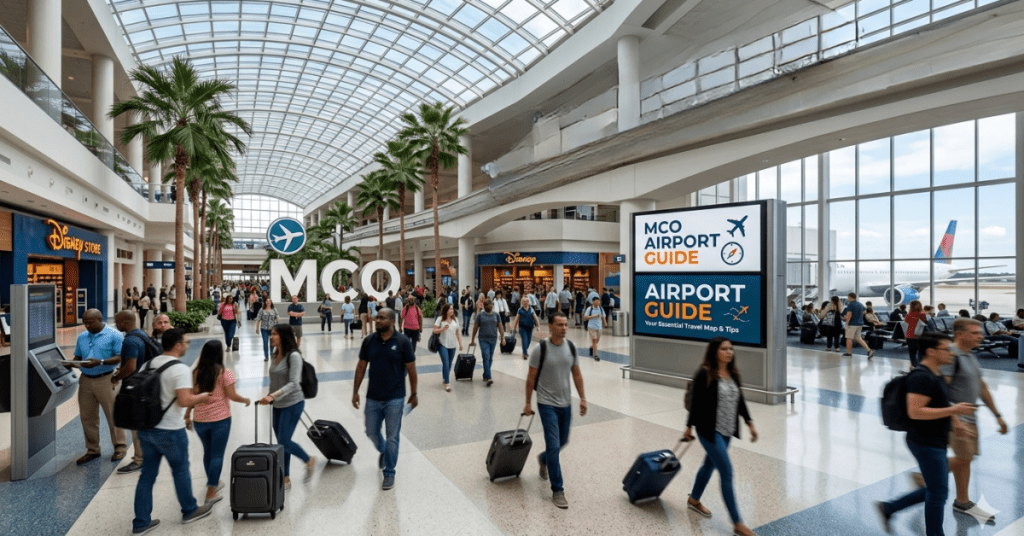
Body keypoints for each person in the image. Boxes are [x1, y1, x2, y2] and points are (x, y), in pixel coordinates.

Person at [877, 333, 976, 536]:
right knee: (938, 493)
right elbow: (916, 411)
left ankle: (889, 508)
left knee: (934, 489)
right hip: (925, 441)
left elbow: (940, 401)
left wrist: (955, 421)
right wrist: (954, 411)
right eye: (946, 349)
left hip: (935, 439)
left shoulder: (936, 374)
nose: (951, 353)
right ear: (931, 351)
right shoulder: (921, 377)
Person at [132, 328, 215, 534]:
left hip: (147, 429)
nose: (187, 345)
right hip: (170, 431)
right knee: (180, 470)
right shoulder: (180, 369)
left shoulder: (148, 364)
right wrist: (203, 397)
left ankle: (141, 522)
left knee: (147, 475)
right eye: (186, 342)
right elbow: (184, 400)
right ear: (177, 345)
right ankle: (189, 510)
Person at [683, 336, 759, 536]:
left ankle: (694, 499)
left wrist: (749, 423)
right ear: (715, 351)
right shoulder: (704, 373)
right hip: (708, 430)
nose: (729, 352)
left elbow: (739, 400)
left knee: (709, 465)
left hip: (727, 431)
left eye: (731, 349)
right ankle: (737, 522)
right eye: (724, 349)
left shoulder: (732, 373)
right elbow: (696, 402)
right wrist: (688, 427)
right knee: (726, 471)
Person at [935, 318, 1008, 522]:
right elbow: (941, 391)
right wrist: (955, 418)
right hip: (955, 417)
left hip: (970, 415)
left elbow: (982, 387)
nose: (981, 335)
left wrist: (998, 415)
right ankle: (925, 476)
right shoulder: (950, 355)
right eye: (975, 333)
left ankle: (962, 501)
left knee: (966, 460)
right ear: (960, 334)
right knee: (964, 457)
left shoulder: (969, 355)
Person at [523, 312, 587, 509]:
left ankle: (543, 460)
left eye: (566, 325)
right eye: (559, 325)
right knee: (553, 444)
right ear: (550, 326)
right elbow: (530, 378)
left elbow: (577, 374)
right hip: (546, 403)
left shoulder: (571, 347)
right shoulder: (540, 349)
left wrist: (583, 398)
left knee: (563, 440)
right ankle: (557, 490)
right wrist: (528, 403)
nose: (564, 328)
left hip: (565, 403)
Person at [352, 308, 418, 491]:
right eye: (377, 317)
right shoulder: (369, 341)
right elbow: (361, 366)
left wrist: (414, 394)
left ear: (392, 321)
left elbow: (411, 369)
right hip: (373, 396)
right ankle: (383, 451)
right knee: (371, 432)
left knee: (392, 437)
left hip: (395, 398)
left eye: (381, 318)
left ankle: (389, 472)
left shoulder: (403, 342)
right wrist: (355, 391)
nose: (377, 320)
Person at [185, 340, 251, 504]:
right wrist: (245, 399)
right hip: (220, 420)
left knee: (208, 453)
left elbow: (193, 397)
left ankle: (213, 482)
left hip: (200, 420)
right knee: (217, 455)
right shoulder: (224, 373)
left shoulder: (195, 373)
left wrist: (187, 414)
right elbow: (232, 395)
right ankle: (211, 491)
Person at [257, 325, 316, 489]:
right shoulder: (276, 354)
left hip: (293, 402)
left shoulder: (294, 356)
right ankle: (286, 477)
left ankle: (308, 460)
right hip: (277, 403)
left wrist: (272, 395)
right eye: (271, 334)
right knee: (282, 442)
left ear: (283, 336)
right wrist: (270, 397)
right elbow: (275, 380)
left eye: (274, 334)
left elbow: (294, 383)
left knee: (283, 441)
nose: (271, 336)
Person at [69, 309, 128, 465]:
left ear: (100, 319)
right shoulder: (82, 337)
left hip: (107, 379)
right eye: (85, 322)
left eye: (90, 322)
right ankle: (93, 450)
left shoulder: (114, 335)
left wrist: (100, 362)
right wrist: (72, 363)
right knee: (87, 417)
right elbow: (78, 356)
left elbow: (120, 356)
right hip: (86, 380)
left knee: (113, 414)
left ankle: (120, 447)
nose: (87, 325)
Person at [113, 310, 152, 475]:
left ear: (123, 322)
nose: (115, 325)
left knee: (136, 426)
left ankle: (139, 460)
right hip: (145, 382)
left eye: (117, 322)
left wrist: (116, 376)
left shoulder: (130, 341)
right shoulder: (142, 335)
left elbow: (130, 367)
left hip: (134, 387)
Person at [471, 299, 504, 387]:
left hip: (493, 338)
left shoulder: (496, 315)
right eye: (486, 305)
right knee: (486, 356)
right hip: (483, 339)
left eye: (489, 305)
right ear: (484, 306)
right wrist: (472, 339)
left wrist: (503, 338)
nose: (488, 306)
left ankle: (485, 374)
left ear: (492, 305)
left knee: (490, 358)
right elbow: (475, 327)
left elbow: (500, 327)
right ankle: (489, 377)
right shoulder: (480, 315)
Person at [433, 303, 463, 392]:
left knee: (449, 364)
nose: (452, 311)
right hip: (443, 344)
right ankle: (447, 383)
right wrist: (442, 329)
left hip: (453, 345)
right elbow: (434, 331)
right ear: (446, 310)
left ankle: (444, 377)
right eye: (450, 309)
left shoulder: (455, 320)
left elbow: (458, 332)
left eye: (452, 309)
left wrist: (460, 343)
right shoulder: (440, 319)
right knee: (446, 363)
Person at [842, 293, 874, 358]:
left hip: (852, 324)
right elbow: (865, 312)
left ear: (850, 297)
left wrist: (847, 323)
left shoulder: (850, 304)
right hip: (859, 324)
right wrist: (858, 315)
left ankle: (848, 353)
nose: (848, 299)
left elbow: (849, 315)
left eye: (848, 297)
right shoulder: (860, 304)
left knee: (849, 338)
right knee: (858, 338)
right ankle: (869, 350)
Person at [905, 300, 929, 367]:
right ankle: (920, 366)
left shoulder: (909, 314)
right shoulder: (922, 314)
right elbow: (925, 322)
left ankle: (914, 365)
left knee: (912, 353)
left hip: (910, 335)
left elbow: (906, 322)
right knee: (921, 352)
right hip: (919, 335)